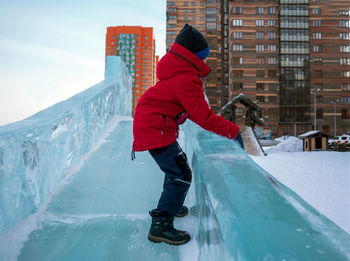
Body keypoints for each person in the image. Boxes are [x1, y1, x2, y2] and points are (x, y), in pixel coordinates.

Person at [132, 24, 244, 245]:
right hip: (156, 129)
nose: (205, 63)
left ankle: (171, 205)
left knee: (175, 169)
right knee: (181, 173)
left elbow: (191, 111)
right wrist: (233, 131)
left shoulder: (178, 74)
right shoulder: (186, 79)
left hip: (154, 126)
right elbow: (204, 117)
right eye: (204, 58)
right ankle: (161, 224)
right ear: (193, 58)